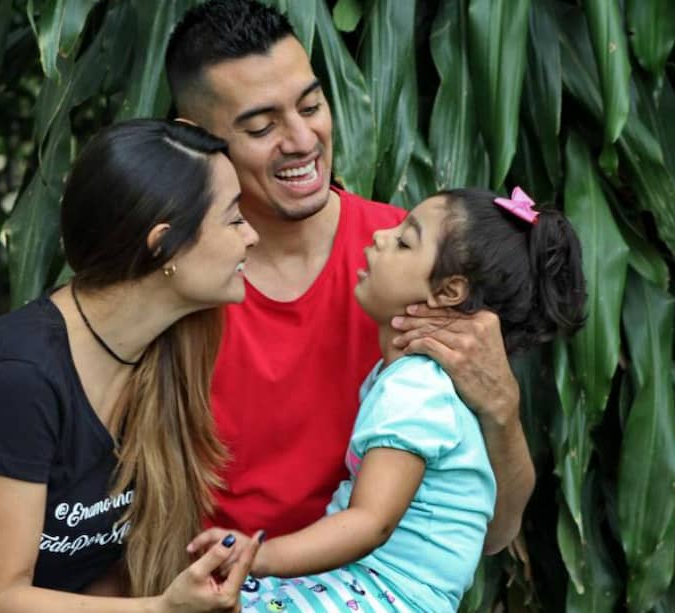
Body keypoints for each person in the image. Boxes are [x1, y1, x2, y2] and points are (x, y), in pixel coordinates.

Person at [0, 119, 262, 612]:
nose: (251, 236)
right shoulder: (17, 379)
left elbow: (93, 571)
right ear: (163, 243)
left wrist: (189, 578)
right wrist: (161, 609)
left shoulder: (158, 356)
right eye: (233, 219)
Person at [164, 0, 535, 551]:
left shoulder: (417, 268)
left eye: (311, 105)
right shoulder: (170, 276)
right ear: (195, 139)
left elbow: (491, 533)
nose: (301, 140)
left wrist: (501, 409)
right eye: (263, 126)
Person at [191, 187, 587, 612]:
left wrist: (259, 556)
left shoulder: (415, 388)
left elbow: (371, 521)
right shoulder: (426, 380)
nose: (381, 236)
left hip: (381, 593)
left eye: (403, 241)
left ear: (450, 291)